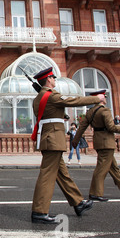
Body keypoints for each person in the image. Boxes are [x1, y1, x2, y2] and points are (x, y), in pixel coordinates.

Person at [30, 67, 103, 224]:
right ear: (49, 79)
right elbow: (73, 101)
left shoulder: (40, 97)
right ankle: (39, 211)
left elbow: (51, 112)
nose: (55, 80)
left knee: (62, 174)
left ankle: (78, 203)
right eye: (53, 78)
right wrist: (97, 99)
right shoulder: (50, 95)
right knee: (47, 175)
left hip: (49, 138)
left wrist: (62, 114)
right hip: (53, 139)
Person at [72, 89, 120, 201]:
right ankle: (95, 193)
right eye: (104, 97)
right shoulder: (105, 111)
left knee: (113, 167)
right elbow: (111, 127)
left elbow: (82, 127)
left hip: (98, 141)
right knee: (101, 169)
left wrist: (75, 140)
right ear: (101, 98)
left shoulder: (90, 112)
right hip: (107, 142)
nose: (105, 99)